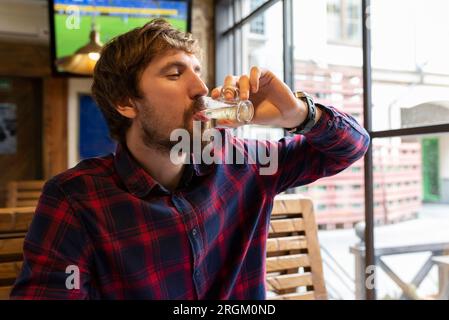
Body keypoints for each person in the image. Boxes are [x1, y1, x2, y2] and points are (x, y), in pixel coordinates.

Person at [10, 19, 370, 300]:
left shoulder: (243, 161)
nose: (200, 88)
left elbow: (351, 146)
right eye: (174, 73)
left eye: (197, 71)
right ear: (126, 102)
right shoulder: (76, 200)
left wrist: (298, 116)